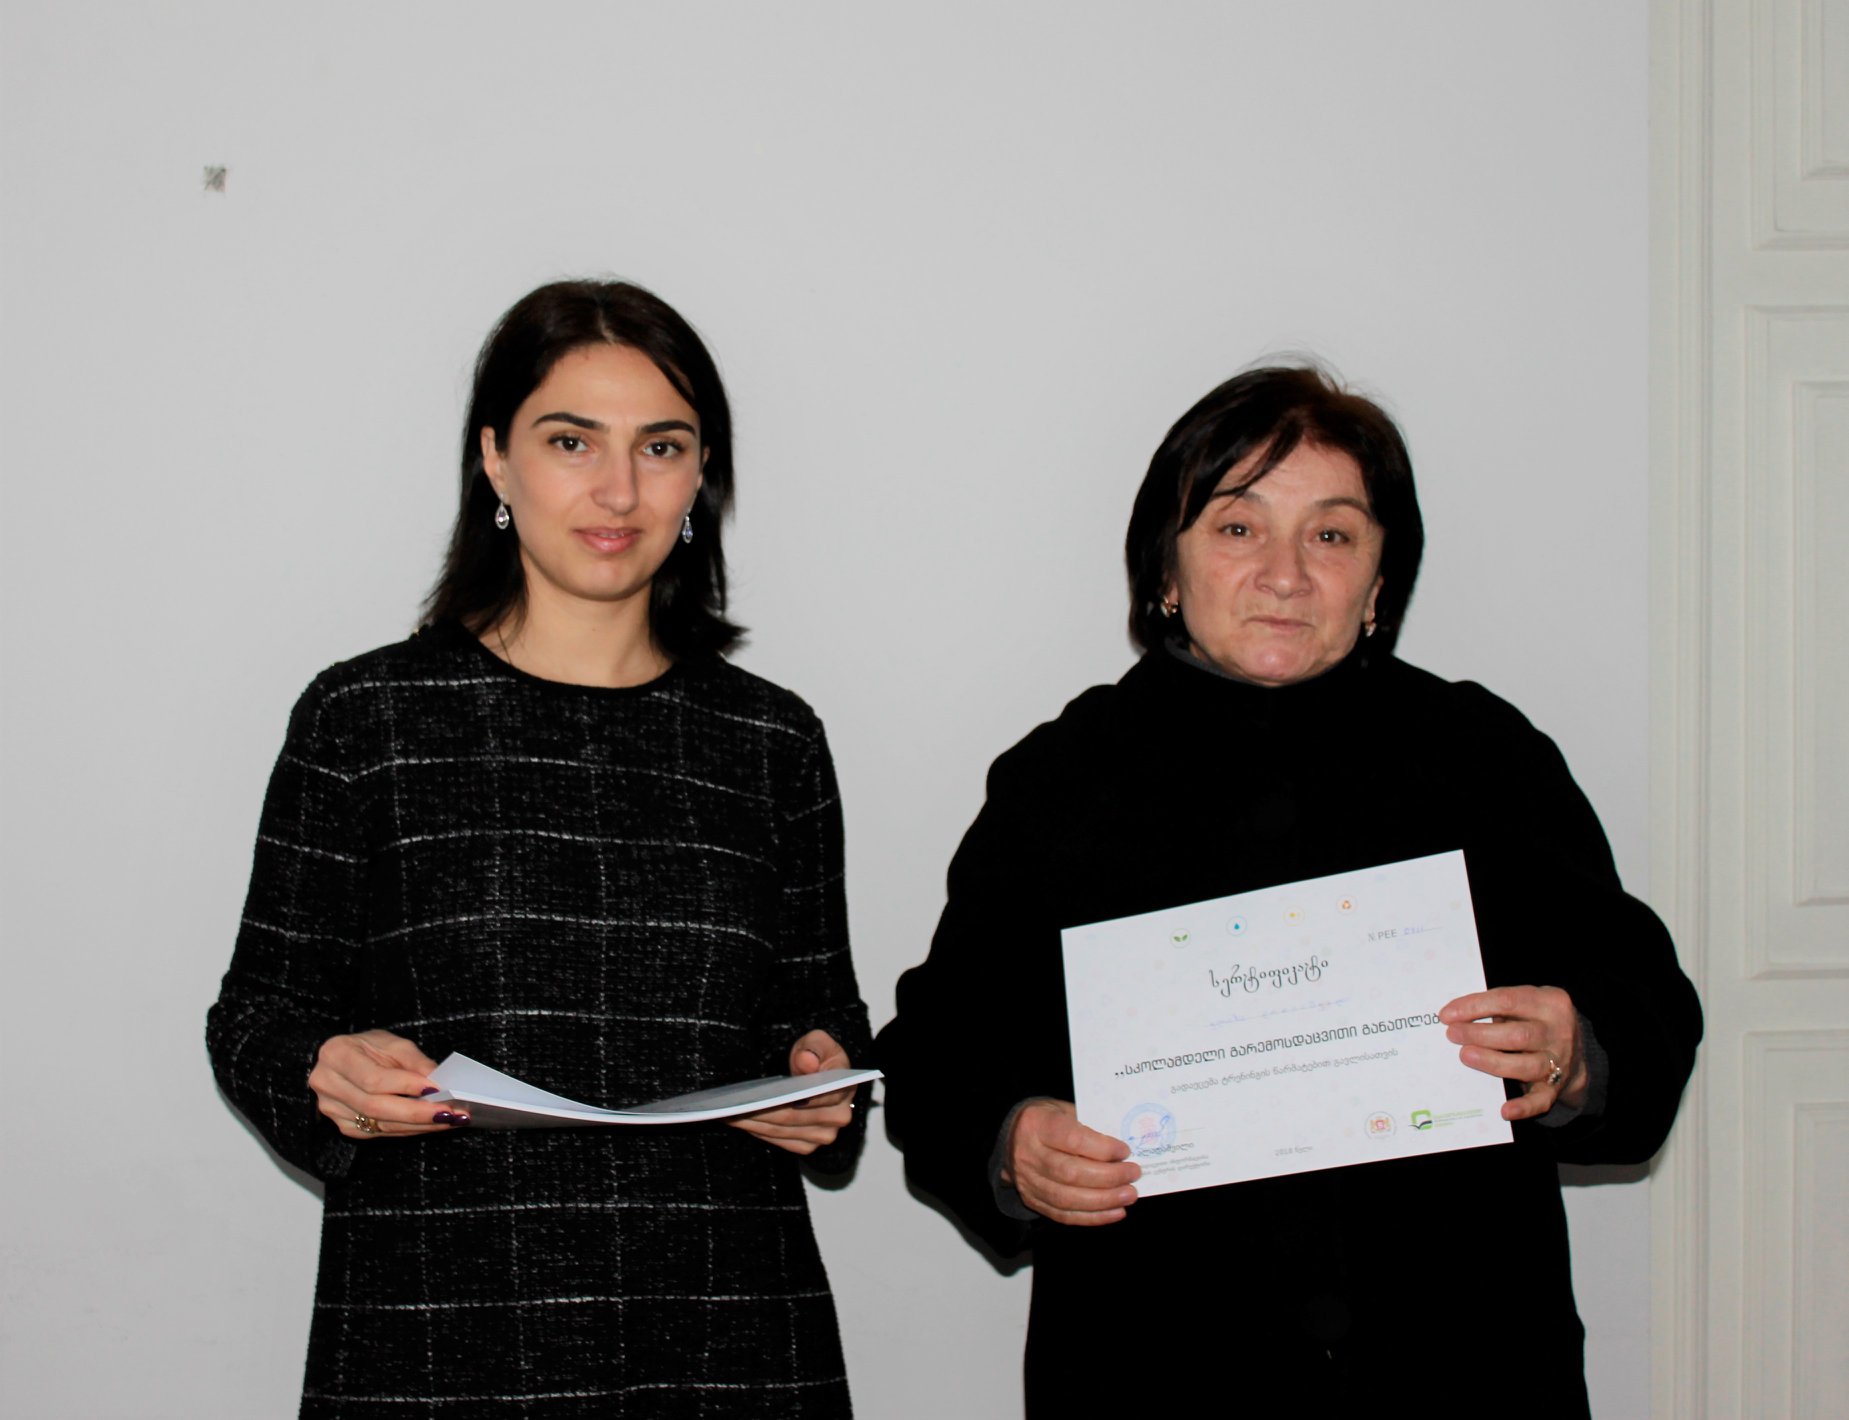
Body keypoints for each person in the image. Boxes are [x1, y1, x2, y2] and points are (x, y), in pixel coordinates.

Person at [875, 365, 1700, 1417]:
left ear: (1380, 580)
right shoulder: (1064, 777)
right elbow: (938, 1052)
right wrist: (1012, 1145)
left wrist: (1574, 1050)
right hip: (1155, 1365)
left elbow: (1646, 1003)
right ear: (1165, 567)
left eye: (1331, 534)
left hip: (1460, 1358)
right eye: (1236, 528)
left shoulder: (1482, 757)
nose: (1284, 574)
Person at [207, 280, 870, 1416]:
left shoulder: (771, 741)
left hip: (728, 1333)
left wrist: (818, 1078)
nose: (619, 489)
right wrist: (325, 1070)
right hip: (441, 1331)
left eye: (660, 446)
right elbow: (256, 1015)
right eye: (571, 442)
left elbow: (820, 1010)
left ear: (701, 475)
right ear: (495, 461)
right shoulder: (365, 720)